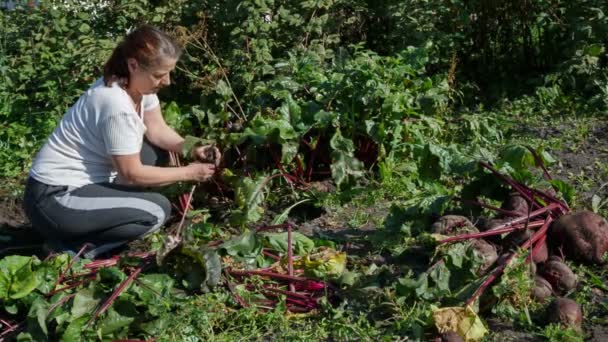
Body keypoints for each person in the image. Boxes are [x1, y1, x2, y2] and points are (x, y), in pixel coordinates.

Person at [23, 25, 218, 259]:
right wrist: (189, 173)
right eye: (159, 74)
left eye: (169, 72)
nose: (167, 81)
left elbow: (157, 130)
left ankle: (86, 227)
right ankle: (72, 250)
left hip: (77, 188)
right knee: (156, 211)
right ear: (133, 65)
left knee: (153, 152)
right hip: (54, 199)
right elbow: (133, 173)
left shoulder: (137, 87)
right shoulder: (115, 105)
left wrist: (193, 147)